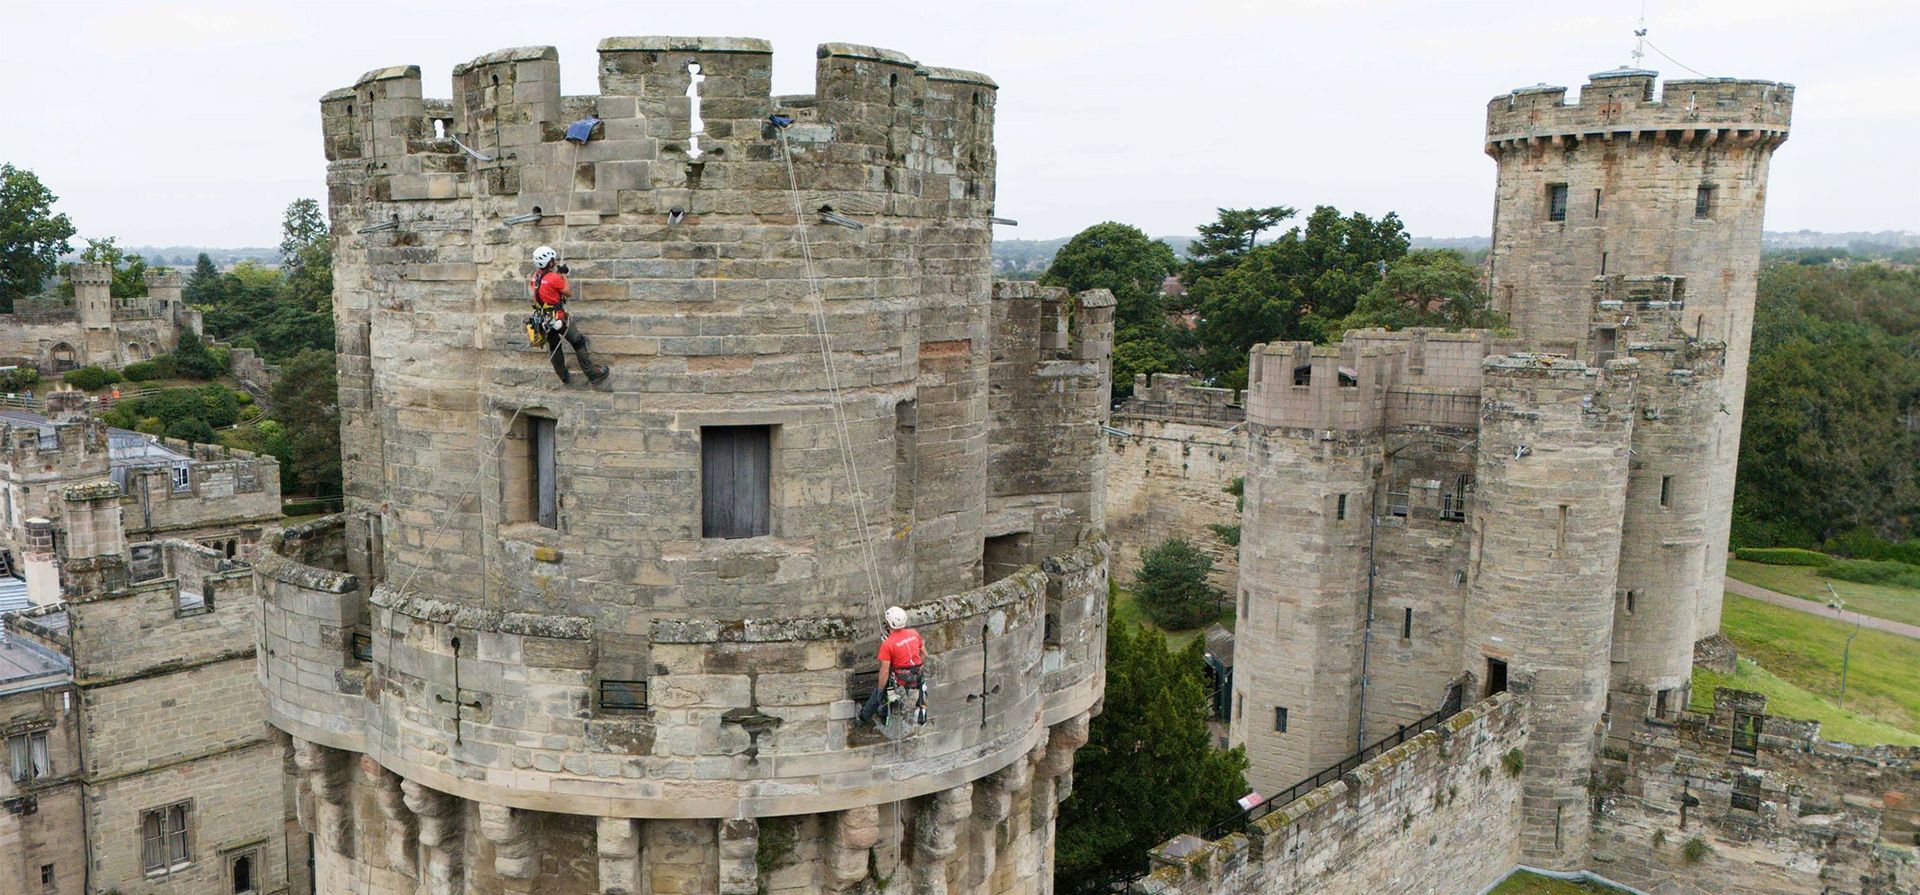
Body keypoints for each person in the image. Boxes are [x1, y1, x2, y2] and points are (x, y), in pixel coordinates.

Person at [528, 246, 609, 385]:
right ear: (550, 262)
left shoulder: (535, 276)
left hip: (544, 320)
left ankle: (563, 376)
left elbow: (543, 293)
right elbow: (568, 292)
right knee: (578, 341)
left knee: (554, 347)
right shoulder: (553, 277)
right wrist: (564, 274)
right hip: (557, 318)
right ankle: (592, 374)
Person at [858, 606, 926, 726]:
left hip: (900, 679)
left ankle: (863, 717)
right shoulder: (914, 634)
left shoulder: (888, 644)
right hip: (916, 676)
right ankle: (885, 713)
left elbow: (884, 672)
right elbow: (924, 654)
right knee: (890, 691)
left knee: (880, 693)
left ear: (888, 623)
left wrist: (880, 690)